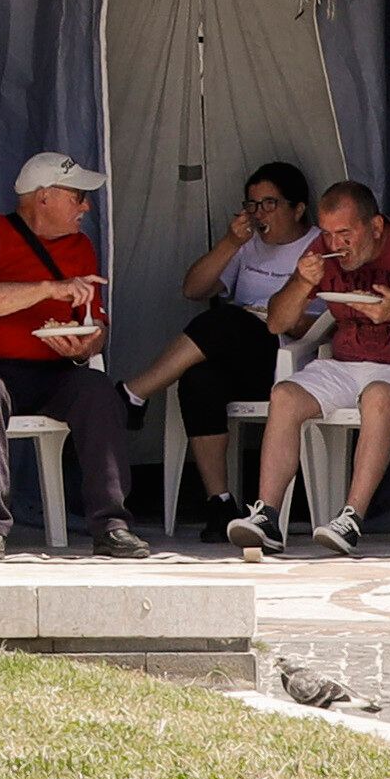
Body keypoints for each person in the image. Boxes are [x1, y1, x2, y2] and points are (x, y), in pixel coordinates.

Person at [232, 180, 390, 557]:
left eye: (345, 234)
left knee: (376, 397)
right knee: (285, 395)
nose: (334, 246)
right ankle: (267, 518)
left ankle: (351, 518)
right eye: (327, 235)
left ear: (375, 227)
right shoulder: (321, 253)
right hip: (345, 363)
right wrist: (300, 282)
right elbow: (276, 324)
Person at [0, 150, 145, 562]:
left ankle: (111, 525)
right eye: (78, 196)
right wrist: (49, 288)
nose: (86, 206)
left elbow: (95, 322)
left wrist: (88, 345)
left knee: (98, 390)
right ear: (44, 197)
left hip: (54, 371)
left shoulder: (80, 247)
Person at [118, 162, 317, 515]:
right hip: (240, 352)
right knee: (197, 378)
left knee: (226, 319)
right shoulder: (249, 245)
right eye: (252, 205)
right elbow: (193, 289)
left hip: (289, 358)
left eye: (270, 204)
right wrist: (230, 243)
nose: (259, 214)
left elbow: (320, 323)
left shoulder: (317, 248)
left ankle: (134, 392)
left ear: (298, 208)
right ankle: (219, 502)